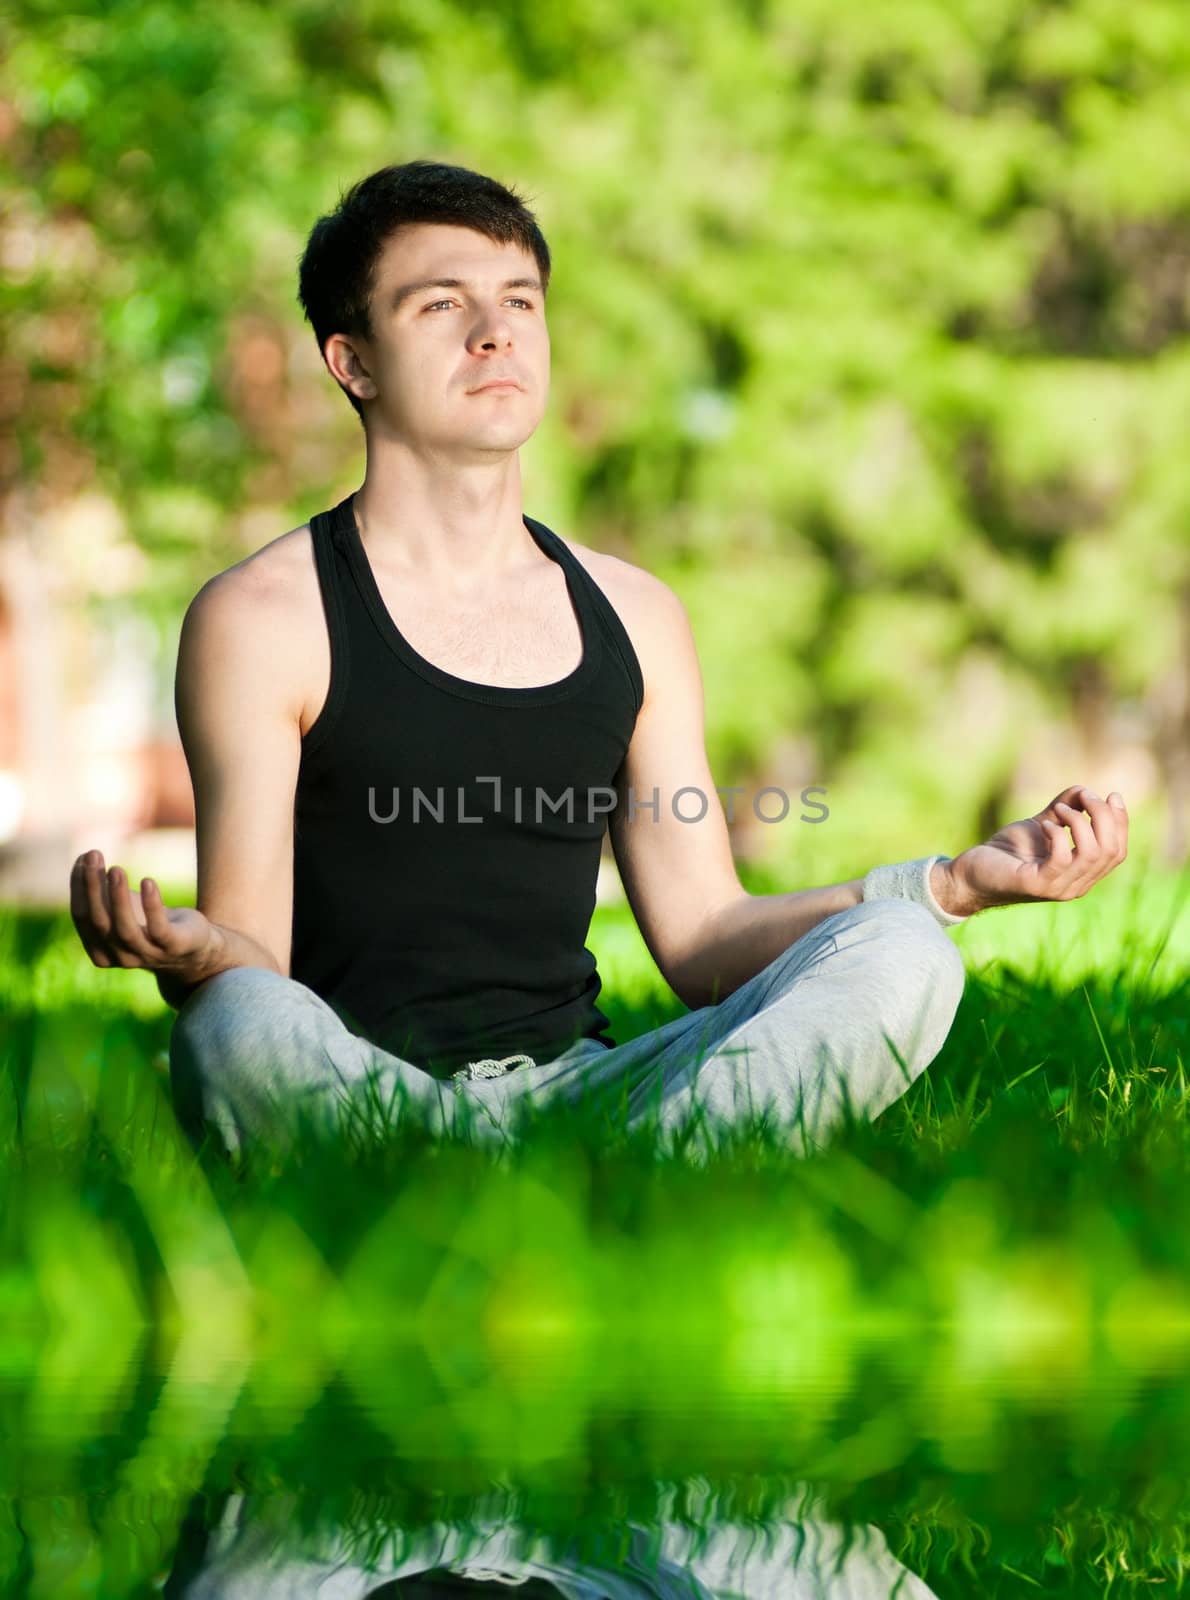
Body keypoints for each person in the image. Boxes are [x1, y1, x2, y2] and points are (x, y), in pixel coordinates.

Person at [69, 160, 1129, 1161]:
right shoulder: (262, 616)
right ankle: (576, 1175)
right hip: (360, 1086)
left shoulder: (635, 613)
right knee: (233, 1023)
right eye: (439, 304)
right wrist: (197, 955)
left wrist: (951, 884)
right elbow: (254, 952)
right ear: (352, 360)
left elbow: (706, 937)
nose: (495, 333)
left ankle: (640, 1164)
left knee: (906, 951)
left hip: (586, 1093)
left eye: (519, 301)